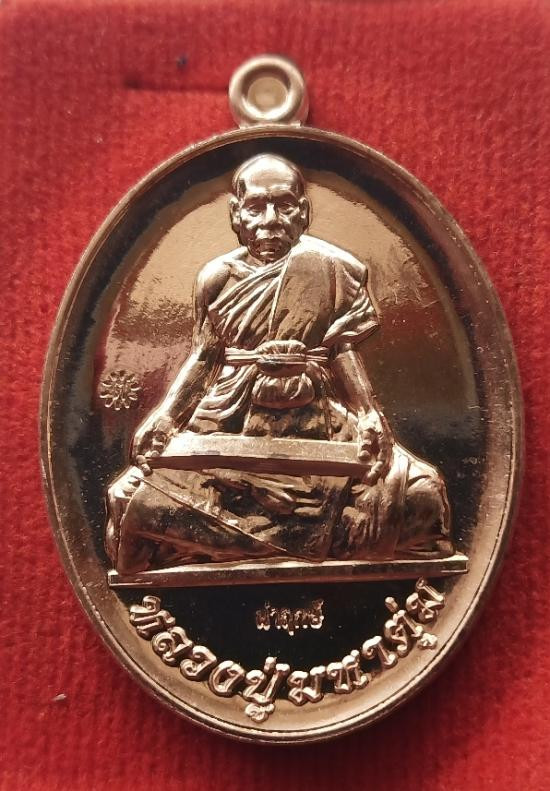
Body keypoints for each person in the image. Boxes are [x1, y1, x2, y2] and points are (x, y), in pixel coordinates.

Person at [106, 154, 453, 574]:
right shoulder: (216, 277)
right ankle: (286, 530)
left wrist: (368, 414)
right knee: (130, 498)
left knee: (420, 491)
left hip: (316, 419)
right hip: (229, 419)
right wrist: (165, 418)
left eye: (284, 205)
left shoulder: (331, 267)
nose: (270, 220)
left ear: (303, 212)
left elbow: (340, 349)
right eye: (256, 207)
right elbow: (205, 356)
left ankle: (242, 539)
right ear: (236, 214)